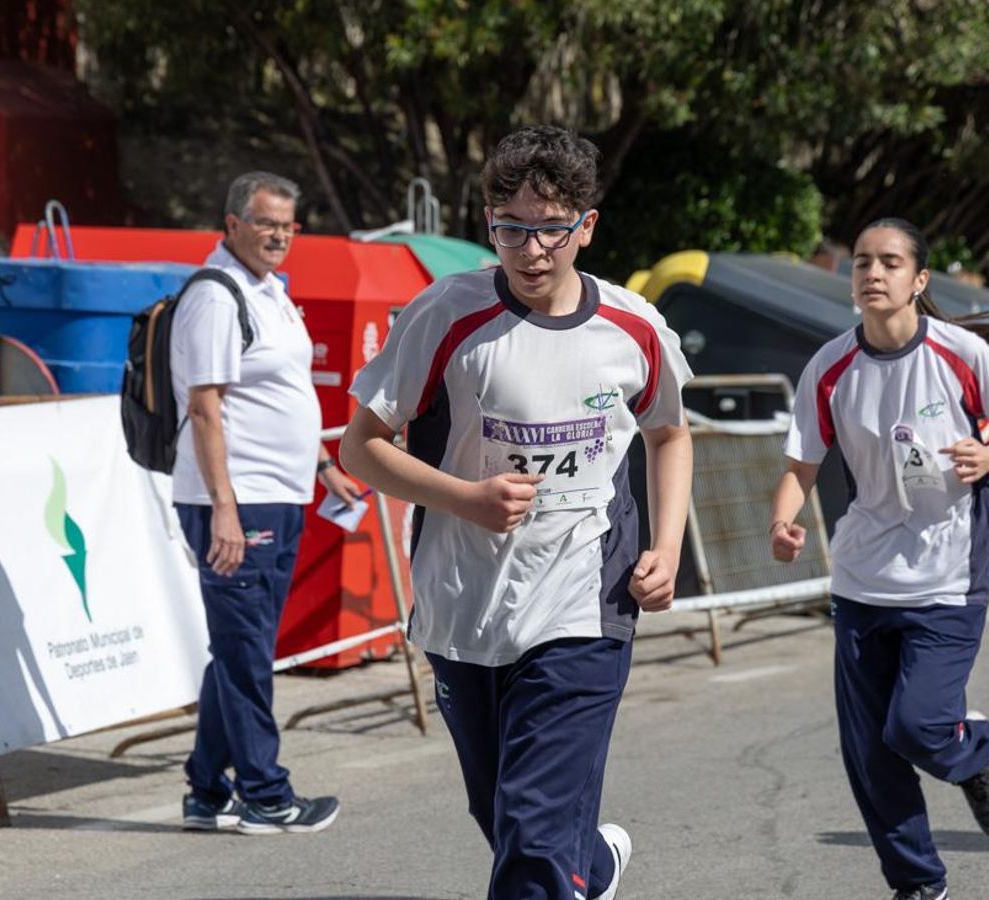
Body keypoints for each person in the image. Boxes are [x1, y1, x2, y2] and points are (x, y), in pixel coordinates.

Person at [341, 125, 693, 899]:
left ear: (586, 227)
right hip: (465, 605)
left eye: (550, 231)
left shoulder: (634, 329)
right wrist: (463, 497)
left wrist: (665, 547)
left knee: (532, 838)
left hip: (583, 605)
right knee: (506, 818)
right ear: (489, 224)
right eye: (510, 231)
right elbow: (359, 448)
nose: (530, 251)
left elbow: (669, 434)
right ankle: (591, 866)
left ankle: (564, 867)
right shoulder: (447, 316)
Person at [769, 217, 989, 900]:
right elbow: (800, 464)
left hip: (948, 568)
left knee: (915, 726)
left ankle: (970, 755)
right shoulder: (831, 367)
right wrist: (782, 519)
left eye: (890, 262)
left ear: (919, 280)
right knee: (869, 752)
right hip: (864, 574)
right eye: (862, 262)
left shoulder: (959, 354)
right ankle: (918, 884)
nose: (873, 273)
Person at [170, 171, 355, 835]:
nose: (279, 235)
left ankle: (205, 790)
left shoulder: (268, 291)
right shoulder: (216, 297)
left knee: (240, 646)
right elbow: (205, 407)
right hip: (238, 501)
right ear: (231, 225)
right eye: (265, 222)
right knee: (246, 650)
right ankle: (264, 794)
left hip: (276, 496)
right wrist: (223, 507)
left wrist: (324, 464)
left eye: (288, 224)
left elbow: (280, 396)